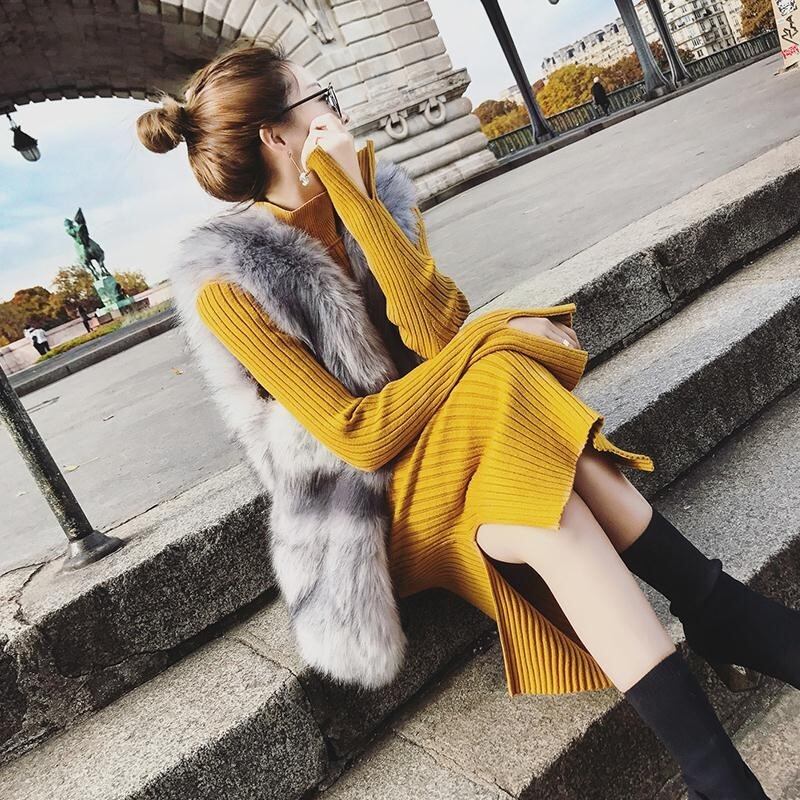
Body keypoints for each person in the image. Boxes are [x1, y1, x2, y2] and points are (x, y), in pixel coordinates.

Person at [137, 40, 795, 797]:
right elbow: (358, 436)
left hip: (467, 440)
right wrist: (495, 335)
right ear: (277, 136)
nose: (339, 112)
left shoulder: (375, 193)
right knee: (502, 371)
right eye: (322, 98)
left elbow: (436, 334)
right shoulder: (229, 283)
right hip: (371, 504)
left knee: (543, 494)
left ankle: (719, 772)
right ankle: (722, 614)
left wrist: (358, 202)